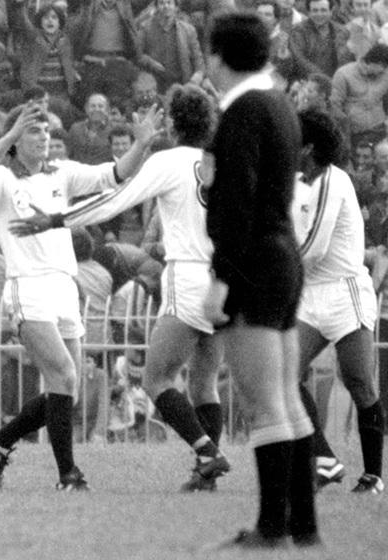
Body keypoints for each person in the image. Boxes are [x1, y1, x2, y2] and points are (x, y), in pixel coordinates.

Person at [10, 84, 232, 491]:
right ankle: (206, 478)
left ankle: (206, 451)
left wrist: (56, 219)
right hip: (225, 280)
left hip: (188, 277)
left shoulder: (170, 162)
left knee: (156, 380)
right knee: (204, 384)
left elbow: (115, 200)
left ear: (173, 123)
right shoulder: (224, 162)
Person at [0, 97, 161, 490]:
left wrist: (142, 144)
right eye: (32, 131)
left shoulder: (63, 173)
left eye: (45, 130)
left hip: (64, 287)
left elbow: (113, 175)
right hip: (28, 286)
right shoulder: (3, 181)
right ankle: (67, 475)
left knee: (67, 390)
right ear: (15, 140)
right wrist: (9, 132)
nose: (43, 137)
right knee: (64, 374)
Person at [202, 13, 318, 547]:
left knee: (262, 402)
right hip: (282, 256)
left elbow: (236, 202)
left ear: (219, 57)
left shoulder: (243, 110)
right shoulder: (278, 102)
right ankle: (303, 527)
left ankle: (272, 528)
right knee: (286, 398)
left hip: (254, 261)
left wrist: (222, 278)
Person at [291, 109, 384, 494]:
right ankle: (325, 460)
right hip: (311, 294)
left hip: (344, 292)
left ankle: (373, 476)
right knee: (283, 375)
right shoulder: (298, 182)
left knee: (359, 382)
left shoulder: (333, 179)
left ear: (309, 147)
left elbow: (314, 248)